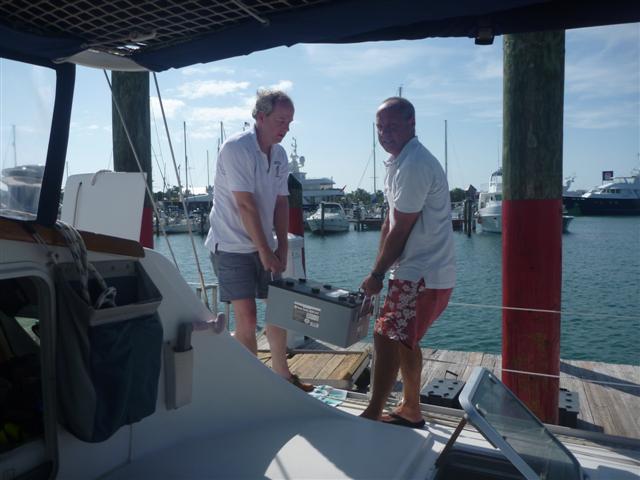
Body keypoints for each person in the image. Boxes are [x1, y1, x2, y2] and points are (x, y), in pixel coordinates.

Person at [205, 89, 313, 392]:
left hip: (264, 243)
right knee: (248, 318)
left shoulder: (279, 155)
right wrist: (266, 250)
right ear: (261, 117)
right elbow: (246, 204)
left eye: (289, 122)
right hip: (231, 245)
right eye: (280, 121)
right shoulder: (236, 148)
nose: (285, 128)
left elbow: (281, 203)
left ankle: (283, 376)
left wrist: (281, 247)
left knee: (277, 310)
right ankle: (251, 386)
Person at [360, 97, 455, 427]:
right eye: (380, 128)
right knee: (404, 339)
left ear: (412, 124)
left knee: (385, 335)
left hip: (423, 273)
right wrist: (378, 272)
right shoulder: (398, 163)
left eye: (392, 126)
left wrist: (377, 274)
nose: (385, 134)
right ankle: (410, 408)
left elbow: (401, 228)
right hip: (413, 272)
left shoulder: (414, 164)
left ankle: (373, 412)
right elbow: (388, 224)